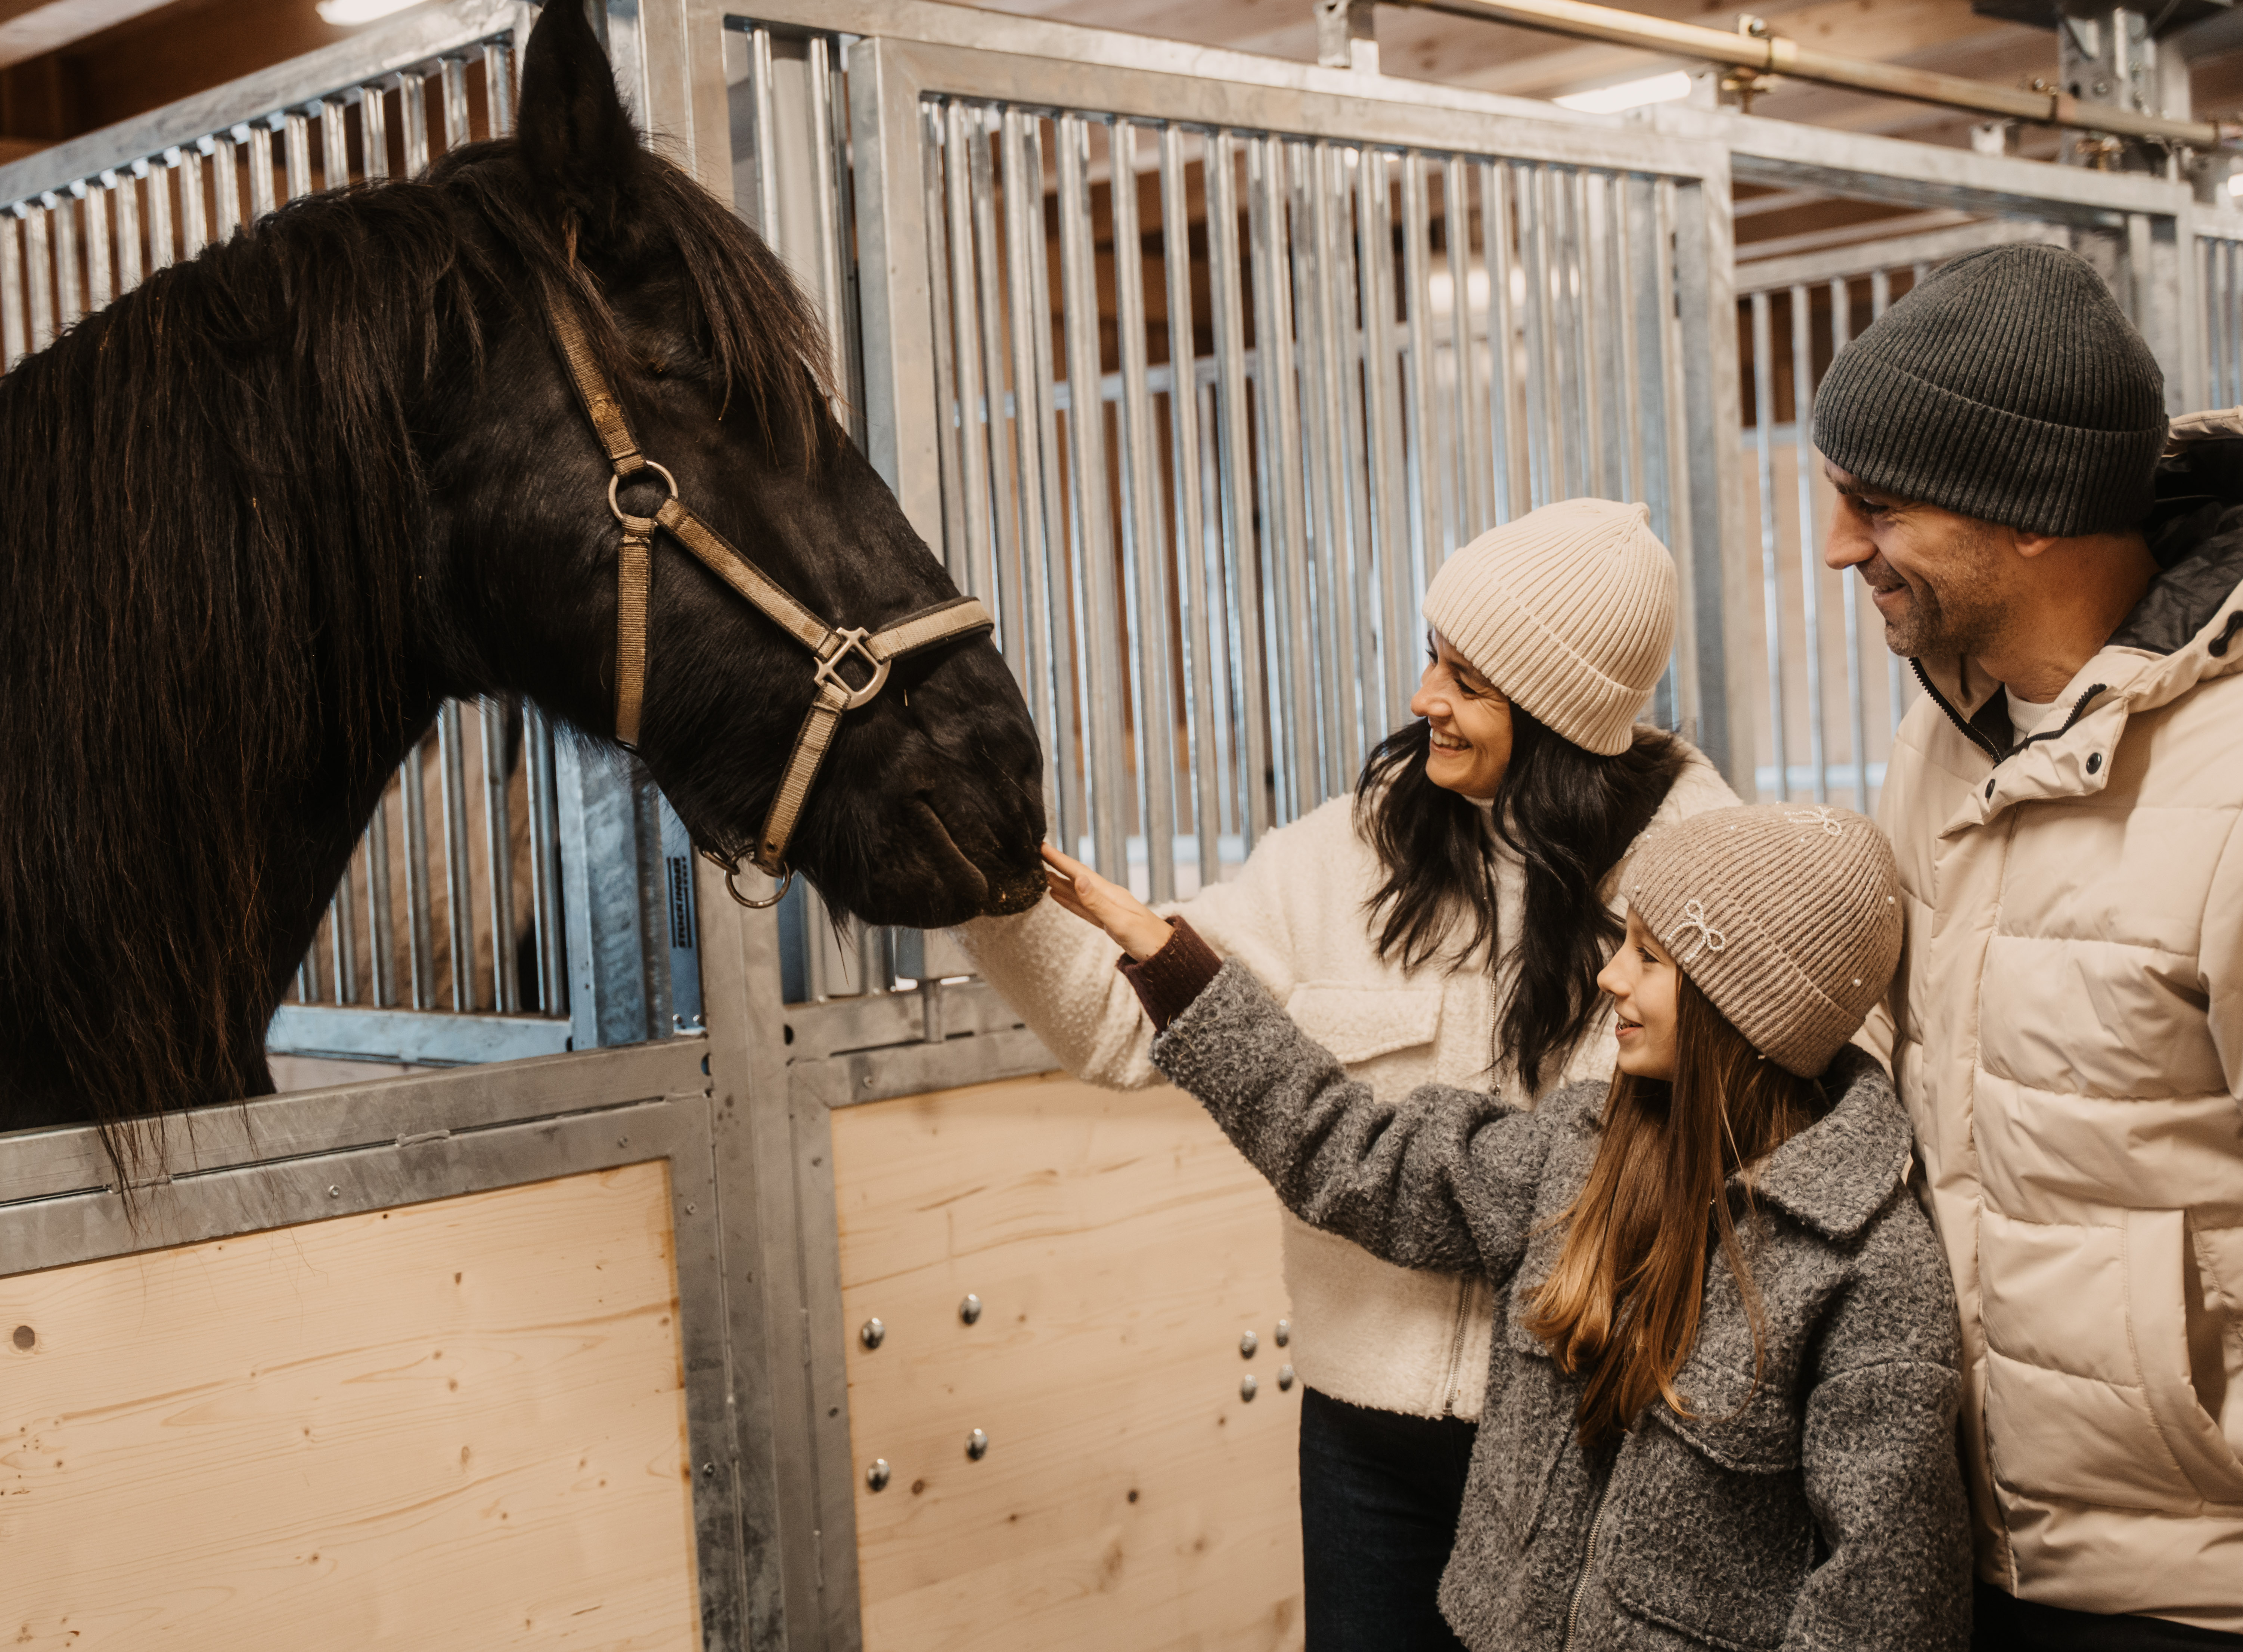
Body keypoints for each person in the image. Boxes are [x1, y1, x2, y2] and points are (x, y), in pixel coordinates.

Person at [956, 498, 1739, 1650]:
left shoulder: (1700, 876)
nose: (1424, 696)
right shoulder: (1351, 850)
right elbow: (1119, 1025)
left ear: (1560, 715)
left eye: (1467, 679)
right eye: (1433, 656)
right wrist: (978, 880)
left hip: (1588, 1436)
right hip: (1361, 1442)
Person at [1042, 801, 1971, 1651]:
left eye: (1650, 957)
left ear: (1748, 1005)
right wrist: (1174, 963)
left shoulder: (1869, 1270)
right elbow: (1356, 1153)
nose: (1610, 976)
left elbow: (1884, 1614)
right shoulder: (1579, 1153)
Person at [1815, 242, 2243, 1646]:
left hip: (2192, 1581)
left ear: (2033, 516)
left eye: (1875, 506)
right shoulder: (1939, 742)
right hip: (1978, 1541)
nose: (1835, 546)